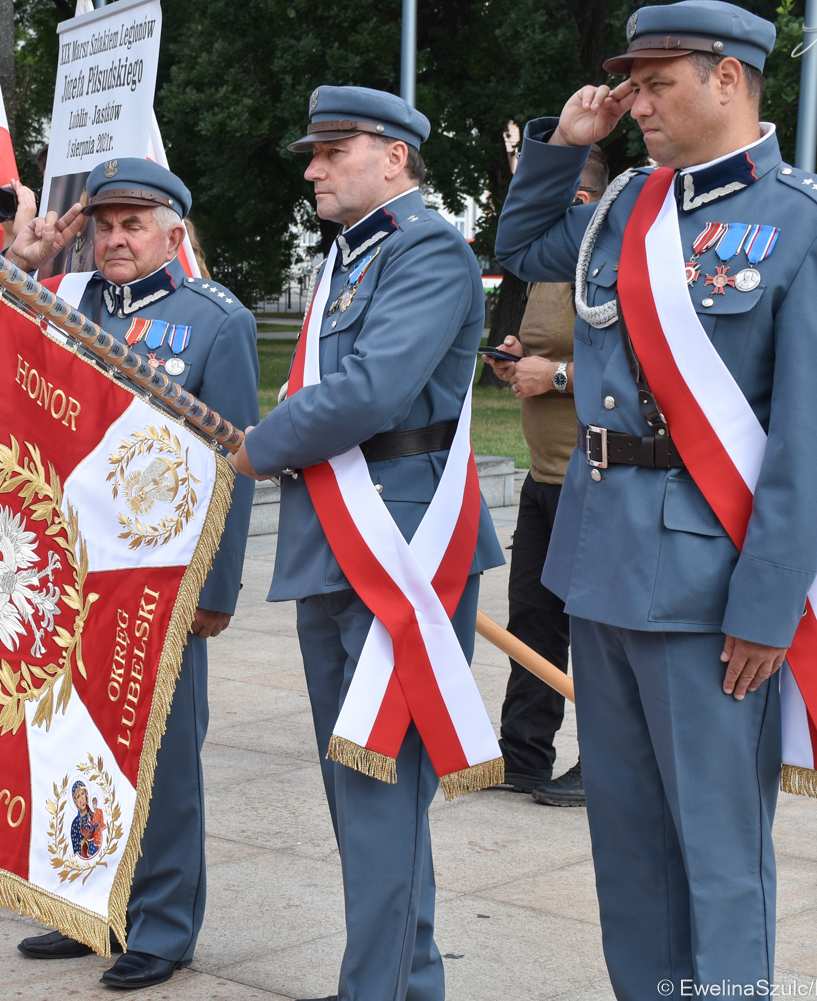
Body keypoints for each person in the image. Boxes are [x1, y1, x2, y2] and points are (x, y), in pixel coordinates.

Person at [495, 2, 817, 994]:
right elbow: (525, 246)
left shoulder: (813, 224)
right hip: (602, 563)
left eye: (657, 84)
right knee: (629, 846)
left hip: (709, 586)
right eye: (633, 83)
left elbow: (813, 444)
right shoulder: (624, 210)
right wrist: (563, 145)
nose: (637, 102)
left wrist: (766, 609)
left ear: (729, 79)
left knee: (718, 852)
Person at [228, 87, 505, 1001]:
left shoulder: (425, 248)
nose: (310, 168)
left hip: (402, 540)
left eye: (329, 151)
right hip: (337, 538)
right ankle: (401, 981)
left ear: (392, 157)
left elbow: (375, 388)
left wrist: (257, 445)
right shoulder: (349, 258)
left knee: (378, 791)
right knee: (360, 797)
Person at [2, 158, 260, 990]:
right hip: (64, 570)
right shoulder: (64, 300)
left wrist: (216, 591)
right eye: (105, 224)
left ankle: (163, 927)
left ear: (173, 232)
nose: (116, 238)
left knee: (161, 762)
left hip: (162, 580)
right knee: (70, 745)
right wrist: (25, 260)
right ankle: (89, 907)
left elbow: (235, 460)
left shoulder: (216, 321)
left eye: (135, 223)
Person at [485, 146, 609, 808]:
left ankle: (606, 760)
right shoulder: (548, 266)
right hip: (543, 477)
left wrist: (555, 376)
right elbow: (547, 349)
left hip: (596, 478)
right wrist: (519, 361)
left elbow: (646, 375)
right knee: (533, 617)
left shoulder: (612, 265)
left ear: (580, 205)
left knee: (593, 631)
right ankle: (522, 754)